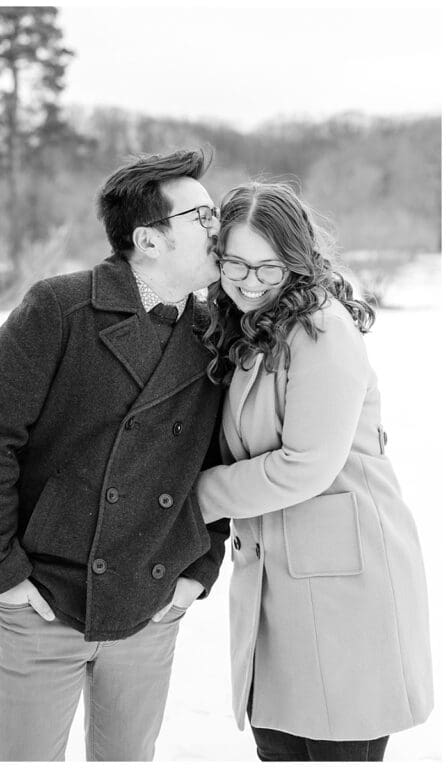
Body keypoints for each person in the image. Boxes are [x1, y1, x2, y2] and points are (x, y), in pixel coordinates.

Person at [0, 148, 230, 761]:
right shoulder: (60, 307)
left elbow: (216, 464)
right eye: (204, 217)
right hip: (42, 601)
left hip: (149, 600)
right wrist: (2, 572)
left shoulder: (214, 332)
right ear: (149, 240)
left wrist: (196, 572)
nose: (220, 227)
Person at [196, 181, 434, 762]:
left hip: (344, 587)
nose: (250, 281)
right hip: (279, 582)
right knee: (281, 743)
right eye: (236, 263)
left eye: (269, 268)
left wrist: (199, 495)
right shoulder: (245, 327)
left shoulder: (321, 330)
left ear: (297, 263)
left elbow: (306, 465)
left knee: (335, 744)